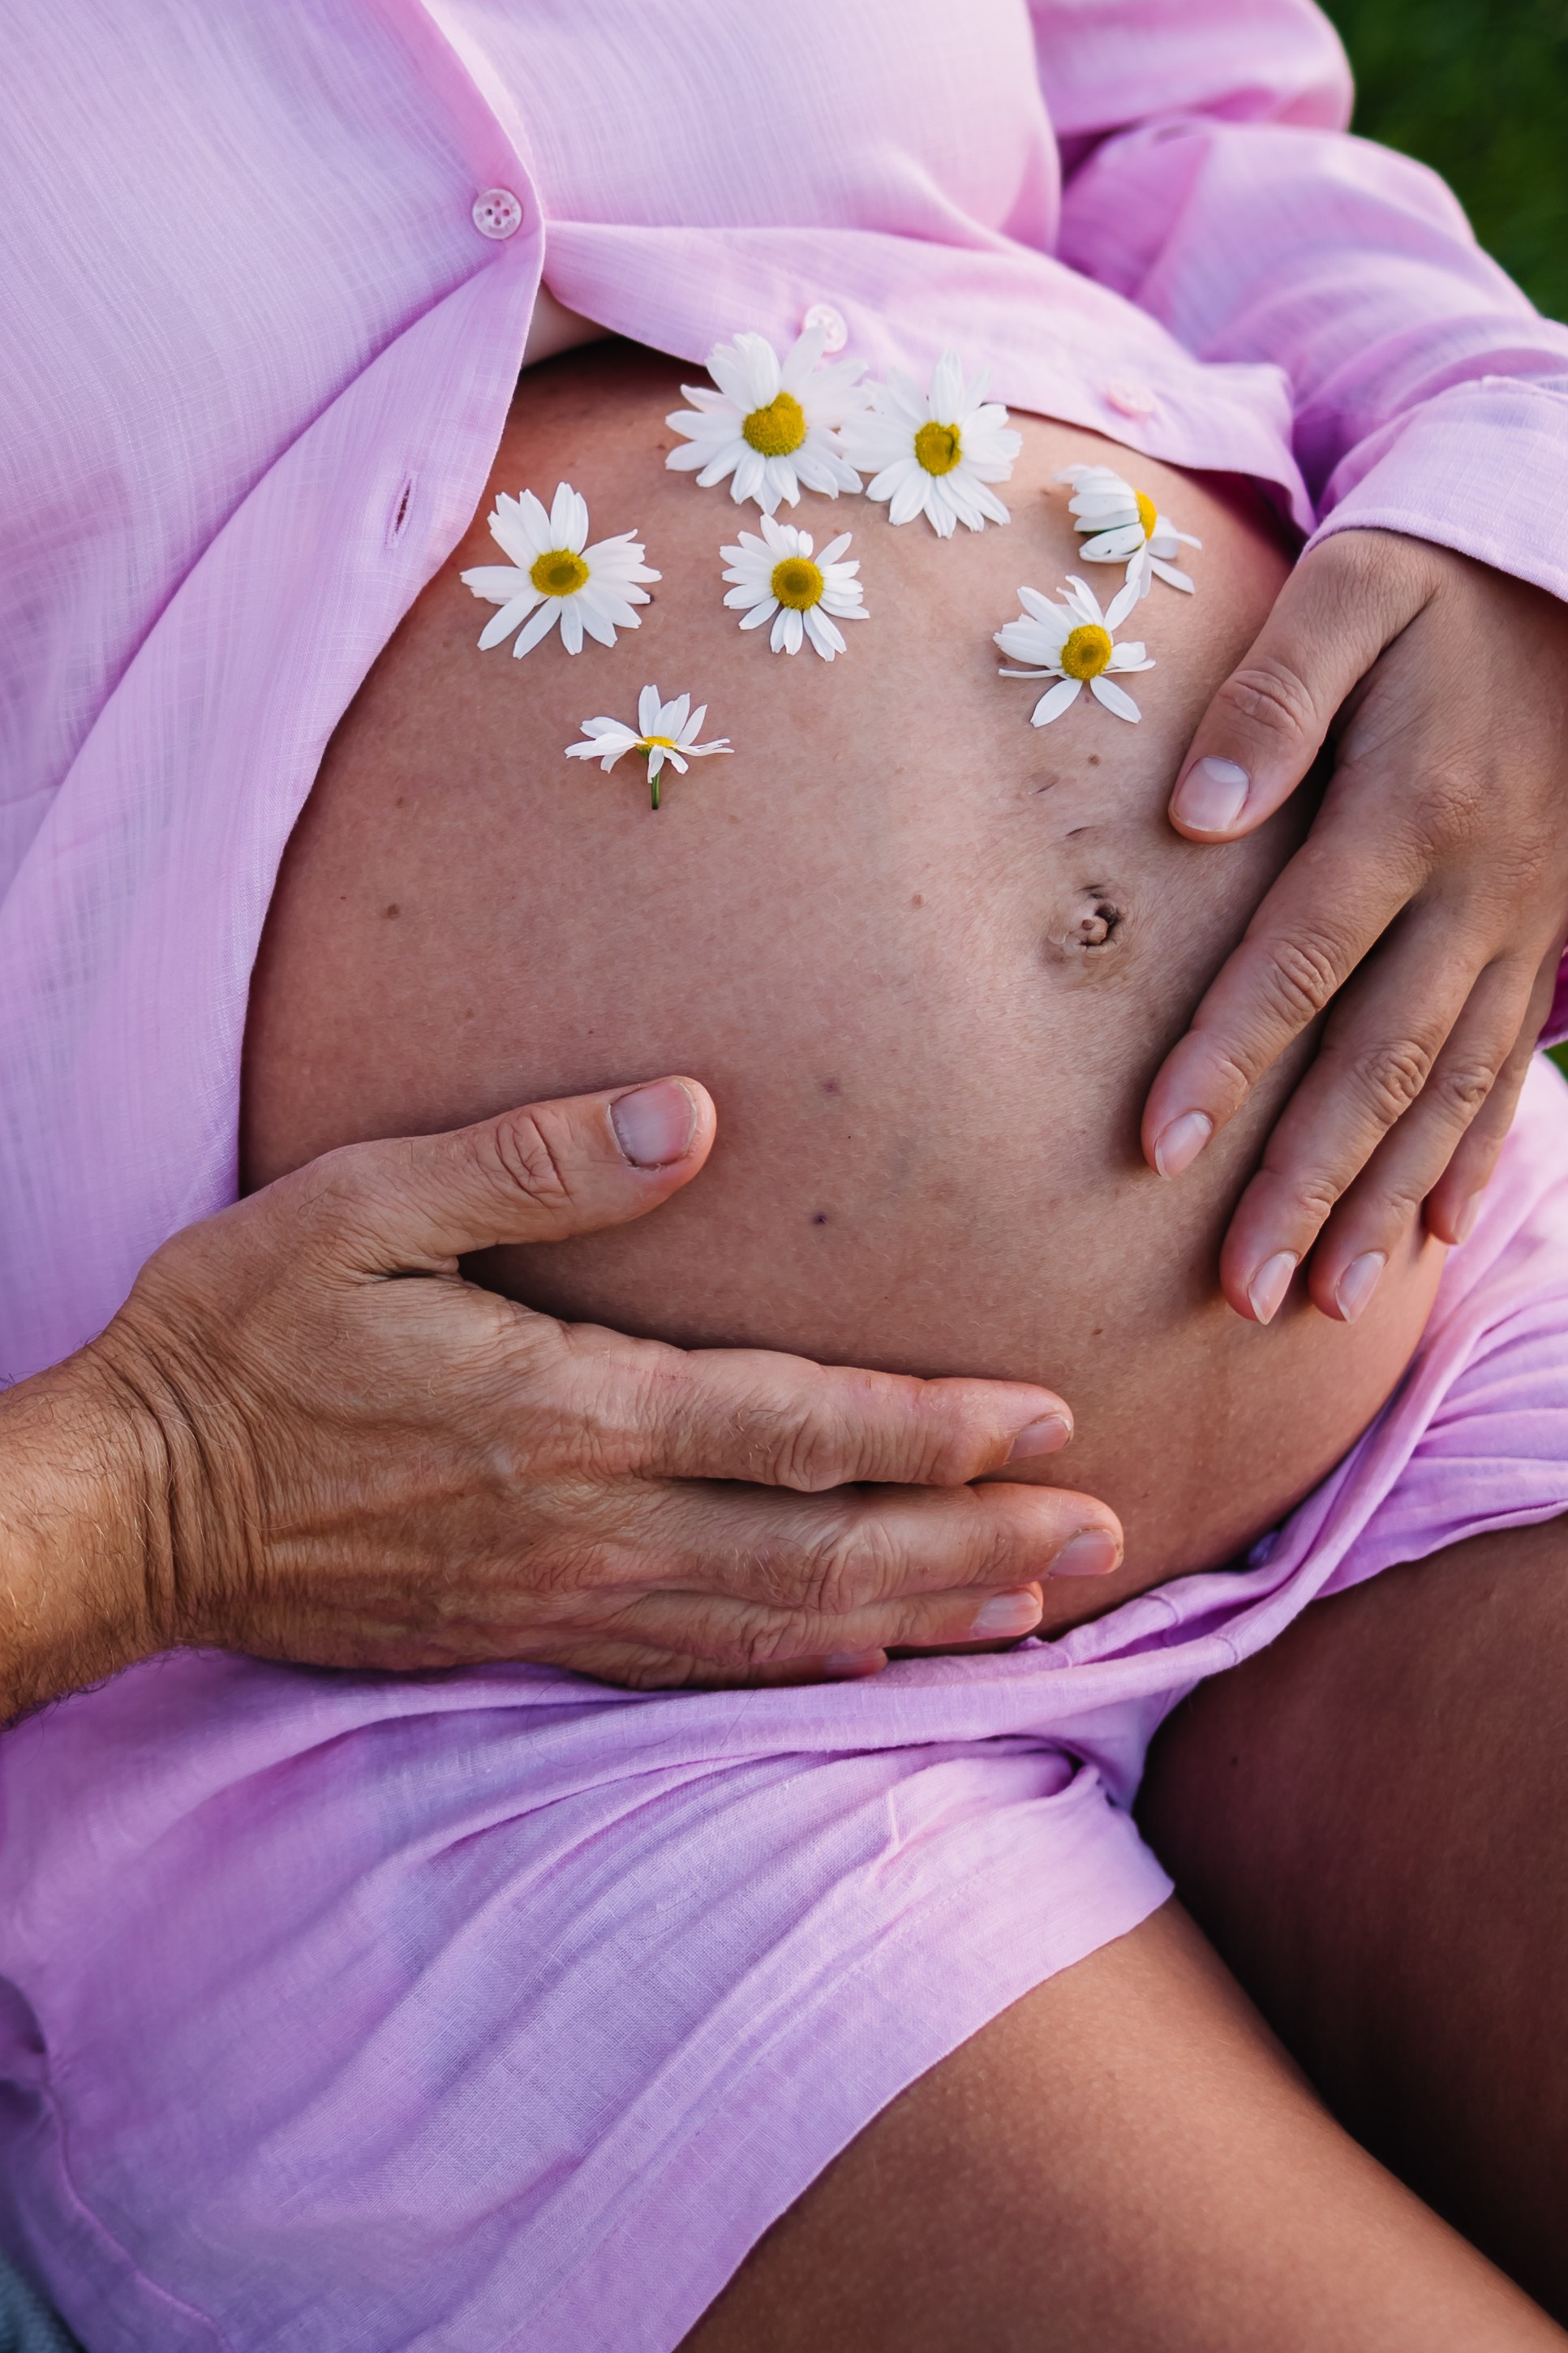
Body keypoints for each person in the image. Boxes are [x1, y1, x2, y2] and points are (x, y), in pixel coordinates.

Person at [5, 3, 1568, 2348]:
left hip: (1419, 1281)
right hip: (412, 1684)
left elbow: (1157, 105)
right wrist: (150, 1493)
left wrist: (1509, 500)